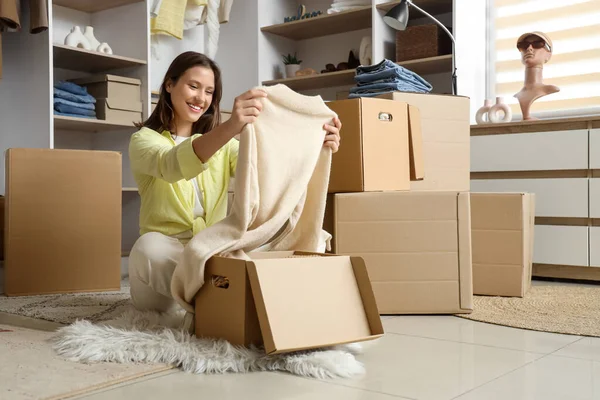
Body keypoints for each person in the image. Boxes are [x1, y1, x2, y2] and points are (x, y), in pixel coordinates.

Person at [128, 51, 342, 313]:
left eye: (209, 92)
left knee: (313, 240)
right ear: (169, 85)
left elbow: (266, 166)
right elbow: (171, 165)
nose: (201, 98)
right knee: (148, 248)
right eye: (193, 86)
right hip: (161, 285)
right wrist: (232, 125)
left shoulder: (224, 145)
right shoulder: (144, 140)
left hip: (212, 256)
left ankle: (228, 300)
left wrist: (314, 144)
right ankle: (231, 298)